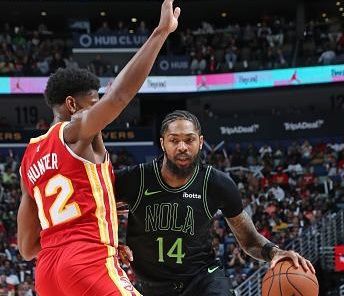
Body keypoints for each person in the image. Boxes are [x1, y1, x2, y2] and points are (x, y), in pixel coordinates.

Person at [16, 1, 181, 295]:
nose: (99, 113)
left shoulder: (29, 158)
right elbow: (119, 96)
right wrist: (160, 33)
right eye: (94, 103)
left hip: (48, 272)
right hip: (86, 261)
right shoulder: (75, 131)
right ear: (72, 105)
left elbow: (27, 248)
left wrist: (75, 242)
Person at [115, 110, 315, 296]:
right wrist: (111, 242)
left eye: (189, 140)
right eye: (174, 140)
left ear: (200, 142)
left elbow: (250, 241)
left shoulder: (217, 183)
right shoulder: (136, 179)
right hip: (151, 286)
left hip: (203, 280)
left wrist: (276, 252)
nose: (182, 147)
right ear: (162, 143)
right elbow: (88, 205)